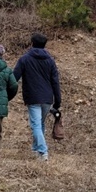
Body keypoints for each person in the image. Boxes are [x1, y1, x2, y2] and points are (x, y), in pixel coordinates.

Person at [13, 33, 61, 161]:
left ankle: (43, 151)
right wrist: (57, 101)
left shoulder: (24, 59)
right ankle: (35, 149)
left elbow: (14, 78)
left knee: (36, 124)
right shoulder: (50, 61)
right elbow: (55, 82)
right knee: (40, 123)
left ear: (32, 43)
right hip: (47, 98)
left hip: (33, 97)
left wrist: (7, 92)